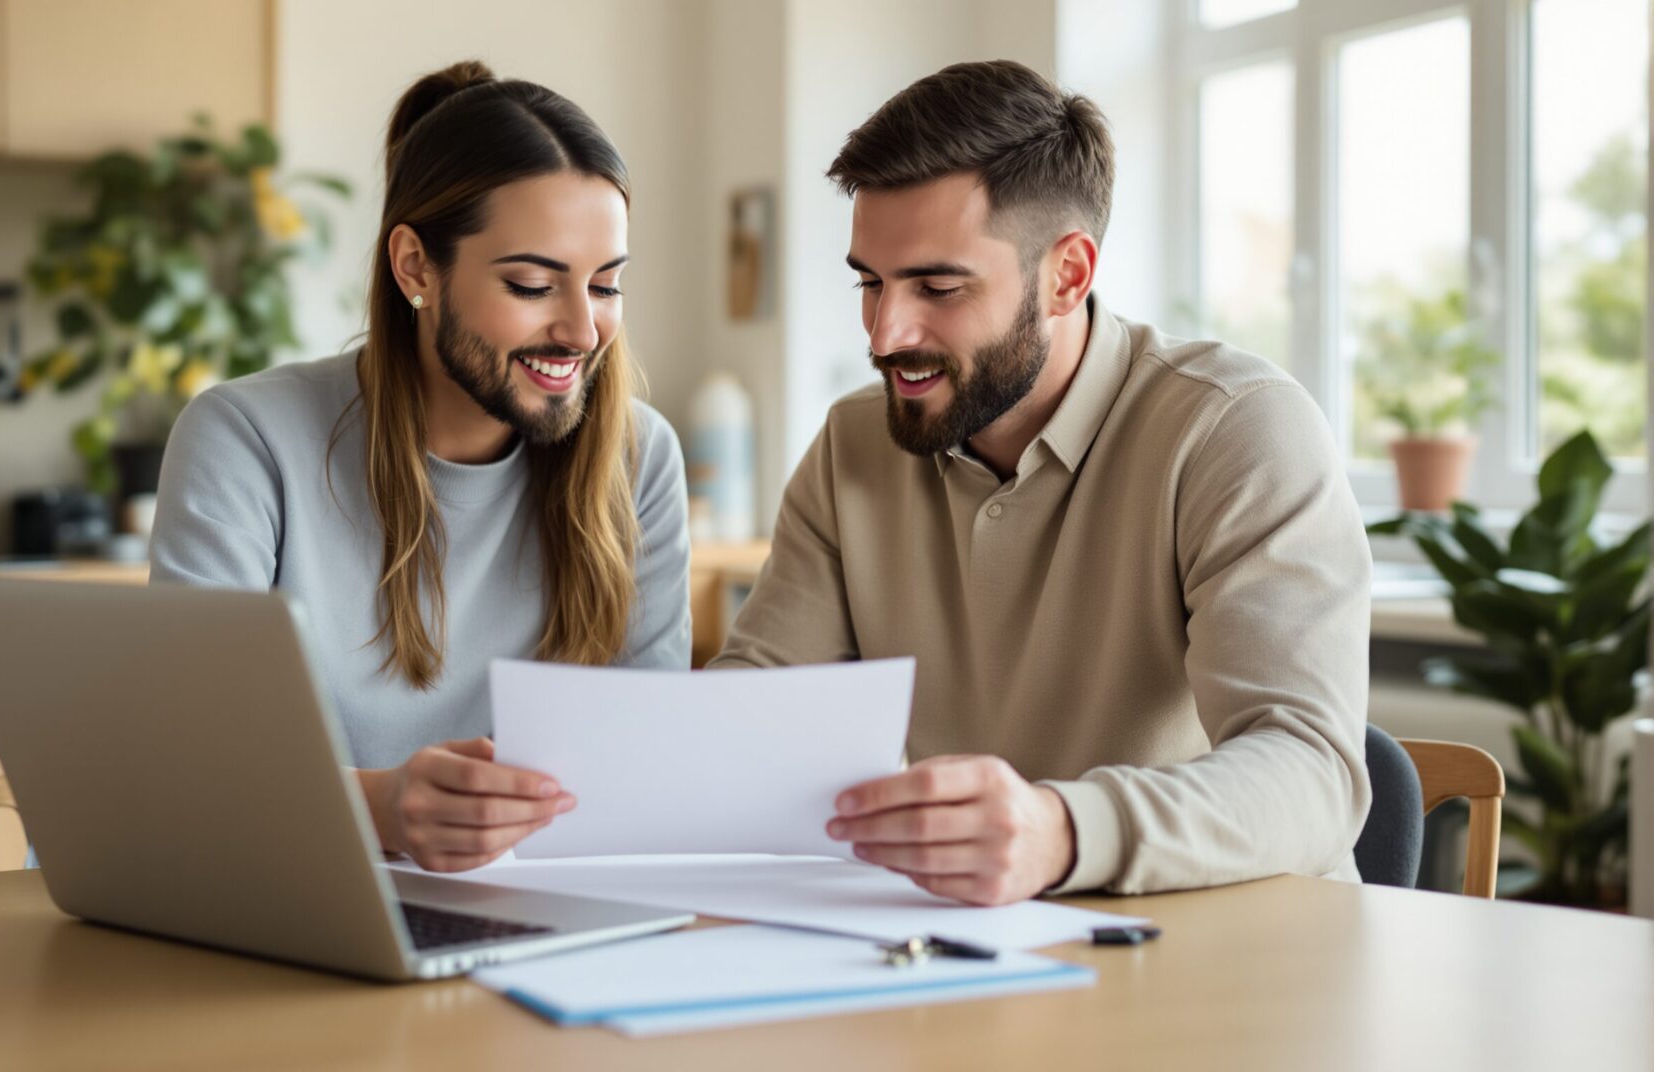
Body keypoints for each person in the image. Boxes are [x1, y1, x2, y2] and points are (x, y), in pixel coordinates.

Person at [710, 60, 1372, 906]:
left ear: (1066, 276)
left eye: (937, 287)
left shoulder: (1236, 429)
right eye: (869, 284)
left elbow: (1311, 772)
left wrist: (1060, 832)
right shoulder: (853, 443)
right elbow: (755, 709)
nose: (884, 334)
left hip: (1220, 959)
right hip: (960, 958)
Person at [150, 61, 691, 873]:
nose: (583, 331)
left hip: (538, 918)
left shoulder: (640, 460)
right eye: (533, 284)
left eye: (606, 285)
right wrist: (379, 810)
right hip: (283, 898)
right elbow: (189, 766)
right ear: (414, 269)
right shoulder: (245, 441)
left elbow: (646, 770)